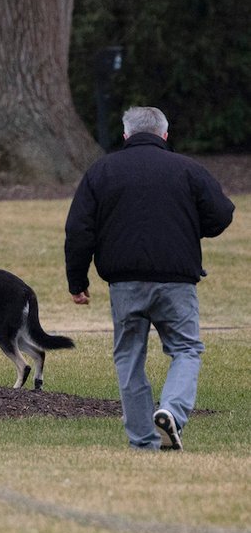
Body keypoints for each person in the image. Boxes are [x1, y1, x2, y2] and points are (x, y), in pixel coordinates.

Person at [64, 106, 234, 450]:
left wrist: (77, 281)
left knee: (129, 355)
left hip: (124, 282)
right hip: (177, 280)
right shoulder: (188, 169)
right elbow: (222, 214)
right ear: (165, 135)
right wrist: (187, 229)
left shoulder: (103, 171)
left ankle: (143, 441)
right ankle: (172, 410)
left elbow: (79, 229)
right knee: (186, 348)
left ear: (125, 135)